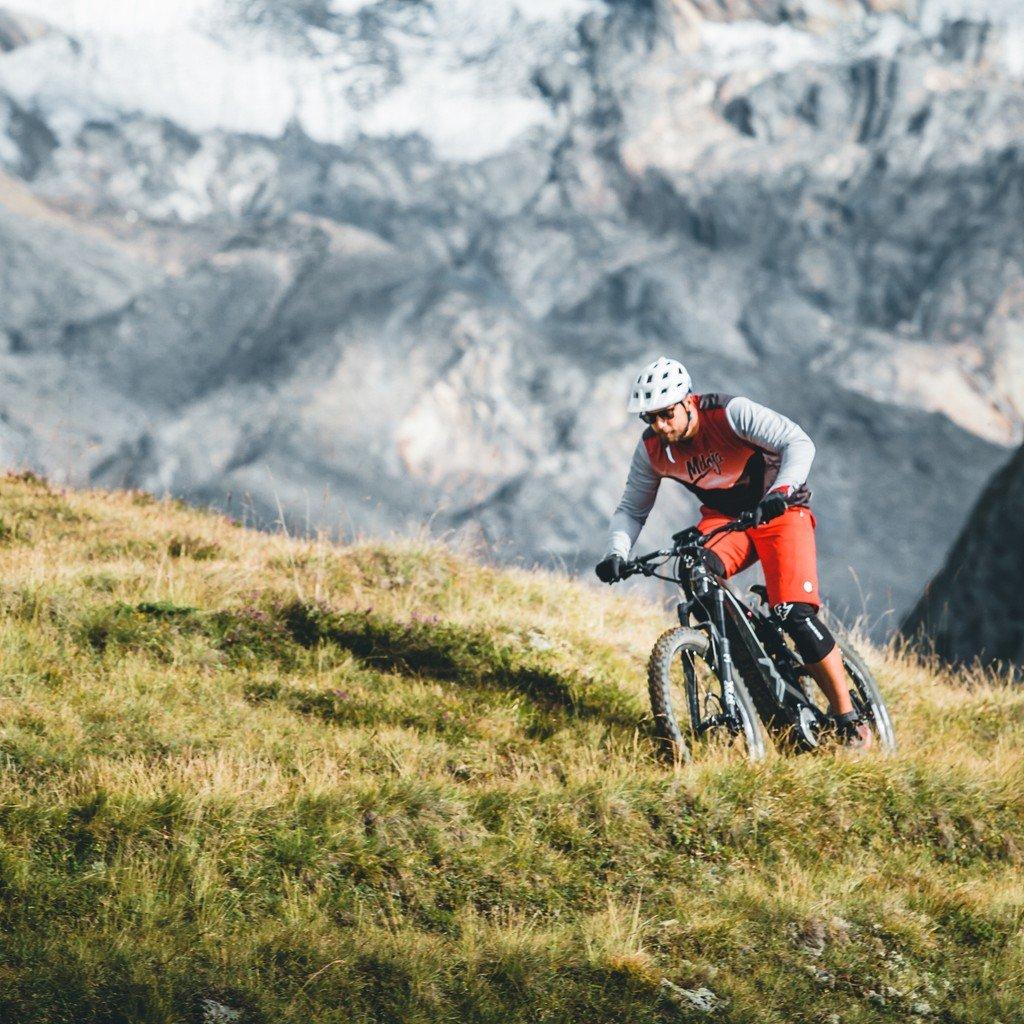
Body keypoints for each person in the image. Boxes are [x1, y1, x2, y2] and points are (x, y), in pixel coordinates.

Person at [595, 356, 872, 749]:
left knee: (792, 612)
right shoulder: (654, 449)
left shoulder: (730, 414)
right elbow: (631, 508)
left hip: (781, 513)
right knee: (693, 570)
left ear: (688, 401)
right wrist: (616, 553)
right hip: (726, 522)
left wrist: (781, 491)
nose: (659, 425)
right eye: (649, 418)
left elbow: (798, 442)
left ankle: (848, 718)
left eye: (666, 414)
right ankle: (754, 672)